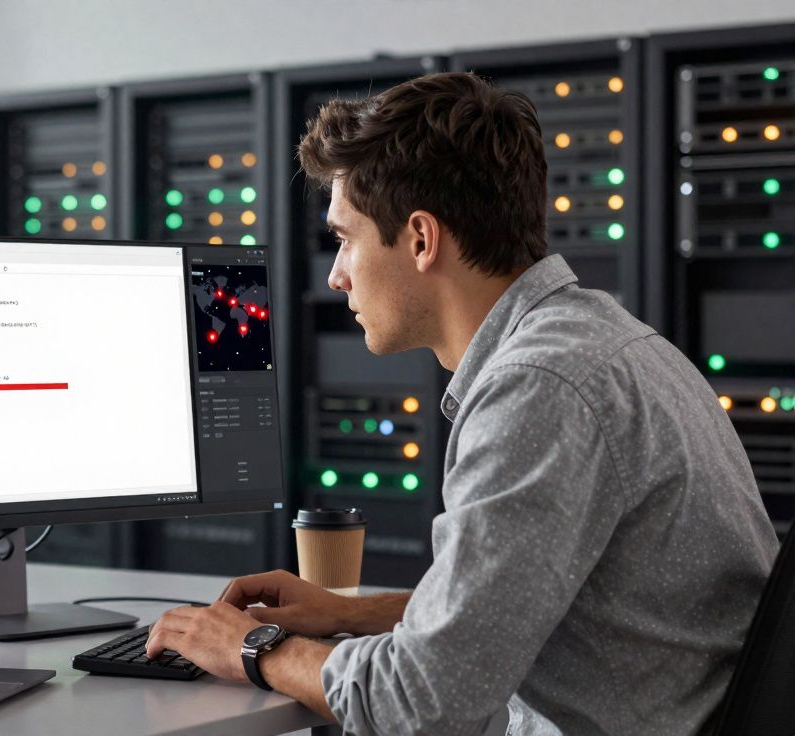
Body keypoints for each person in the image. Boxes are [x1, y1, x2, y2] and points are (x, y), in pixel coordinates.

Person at [143, 72, 778, 735]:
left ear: (421, 239)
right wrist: (346, 613)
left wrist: (251, 648)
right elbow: (516, 611)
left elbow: (423, 704)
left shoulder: (539, 387)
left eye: (345, 237)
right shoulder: (602, 341)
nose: (336, 274)